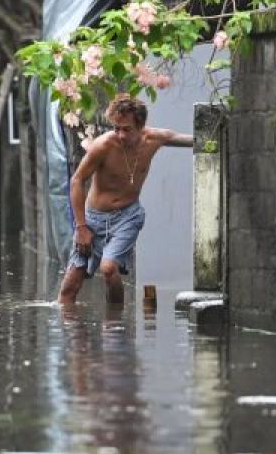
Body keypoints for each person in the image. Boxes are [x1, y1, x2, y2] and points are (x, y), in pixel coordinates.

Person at [58, 94, 193, 305]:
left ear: (140, 127)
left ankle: (114, 326)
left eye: (126, 129)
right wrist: (81, 227)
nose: (120, 134)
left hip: (127, 216)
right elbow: (77, 181)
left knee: (109, 268)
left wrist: (213, 139)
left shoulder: (154, 139)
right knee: (69, 288)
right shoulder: (103, 146)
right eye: (116, 128)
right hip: (93, 219)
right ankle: (72, 334)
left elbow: (190, 140)